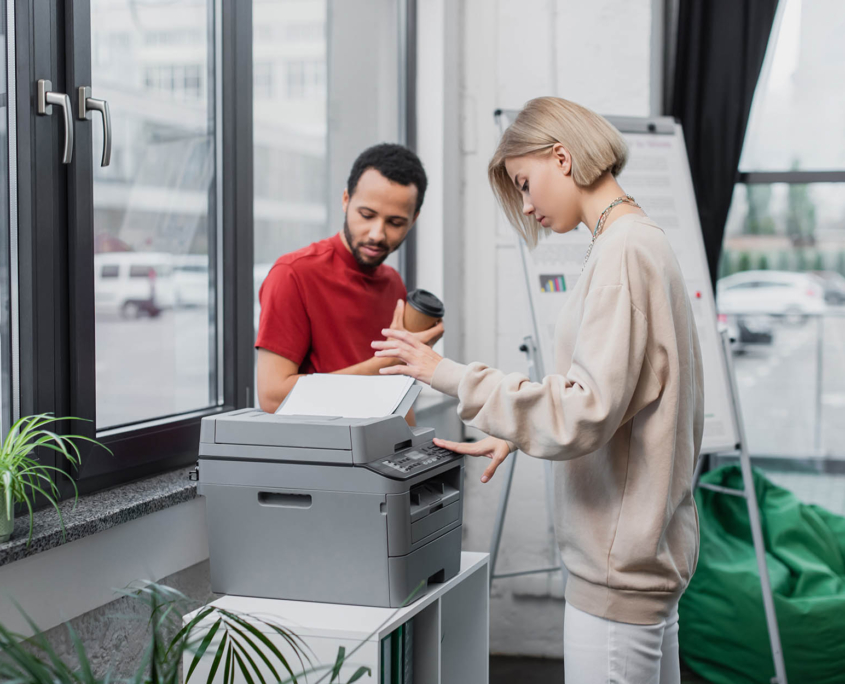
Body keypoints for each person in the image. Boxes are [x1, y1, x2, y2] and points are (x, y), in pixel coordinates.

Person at [371, 97, 704, 684]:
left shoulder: (623, 252)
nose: (527, 205)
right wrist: (518, 432)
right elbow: (615, 394)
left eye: (525, 183)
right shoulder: (635, 241)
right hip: (638, 568)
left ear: (562, 156)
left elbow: (583, 412)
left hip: (616, 577)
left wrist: (443, 372)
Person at [256, 143, 443, 415]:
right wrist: (389, 361)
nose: (377, 234)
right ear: (346, 200)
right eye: (366, 215)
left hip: (381, 450)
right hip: (324, 453)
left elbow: (398, 397)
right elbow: (273, 398)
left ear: (413, 220)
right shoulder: (292, 274)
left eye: (395, 223)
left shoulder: (393, 283)